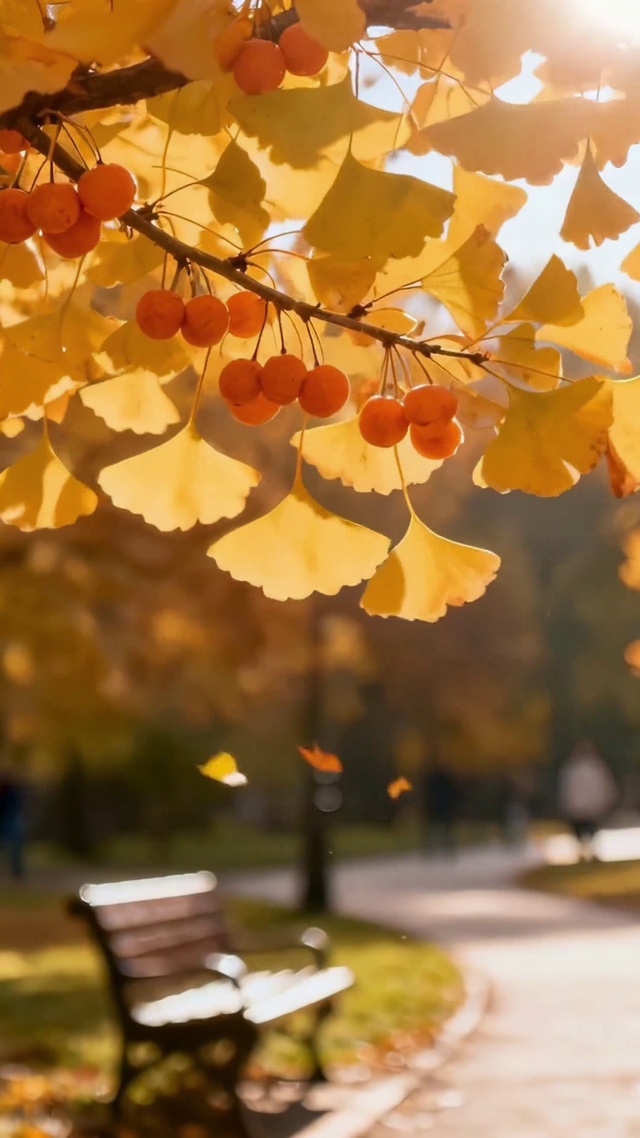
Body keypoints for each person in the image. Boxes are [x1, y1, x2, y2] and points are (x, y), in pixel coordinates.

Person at [557, 741, 618, 861]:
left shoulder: (594, 768)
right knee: (582, 829)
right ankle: (583, 851)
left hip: (588, 806)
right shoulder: (573, 769)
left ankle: (589, 850)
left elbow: (603, 785)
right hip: (580, 806)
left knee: (590, 829)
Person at [422, 761, 461, 856]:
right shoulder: (448, 781)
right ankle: (447, 850)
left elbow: (428, 794)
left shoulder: (434, 781)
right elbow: (455, 794)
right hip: (444, 808)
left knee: (436, 831)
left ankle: (432, 850)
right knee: (445, 831)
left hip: (437, 809)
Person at [0, 767, 26, 878]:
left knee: (15, 845)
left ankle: (17, 871)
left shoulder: (12, 792)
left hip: (10, 820)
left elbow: (16, 806)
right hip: (5, 820)